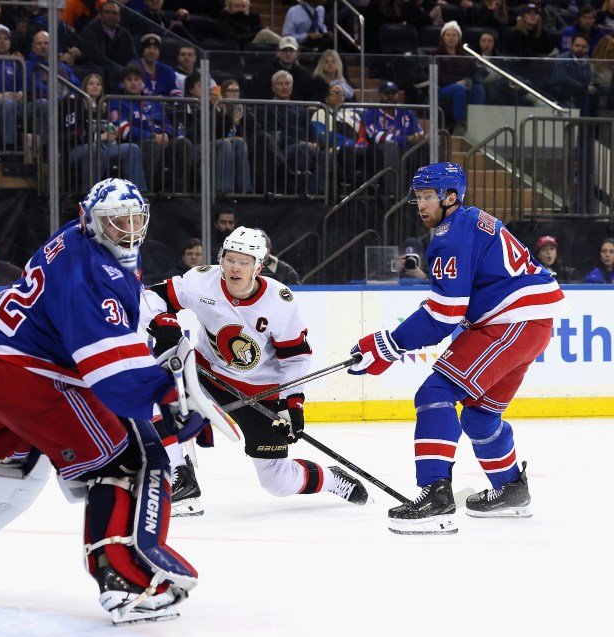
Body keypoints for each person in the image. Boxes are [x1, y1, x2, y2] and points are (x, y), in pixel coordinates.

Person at [0, 178, 217, 625]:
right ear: (91, 221)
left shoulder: (75, 239)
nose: (129, 232)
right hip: (27, 379)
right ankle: (127, 585)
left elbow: (96, 320)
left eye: (136, 221)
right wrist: (167, 399)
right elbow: (107, 369)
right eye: (117, 223)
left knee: (7, 469)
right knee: (127, 459)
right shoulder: (95, 273)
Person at [348, 162, 566, 534]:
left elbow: (445, 314)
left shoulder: (450, 234)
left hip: (512, 320)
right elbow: (454, 308)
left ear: (450, 197)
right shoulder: (466, 222)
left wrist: (389, 344)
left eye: (428, 197)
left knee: (435, 392)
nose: (421, 205)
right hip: (525, 321)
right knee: (479, 416)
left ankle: (435, 496)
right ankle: (511, 490)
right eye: (417, 197)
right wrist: (392, 345)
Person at [145, 226, 368, 516]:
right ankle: (181, 479)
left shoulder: (279, 301)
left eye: (244, 262)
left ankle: (331, 479)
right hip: (204, 371)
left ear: (258, 267)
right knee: (156, 391)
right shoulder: (202, 281)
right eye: (230, 259)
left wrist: (292, 404)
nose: (235, 267)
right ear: (221, 258)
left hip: (261, 393)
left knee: (276, 481)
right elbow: (149, 297)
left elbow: (296, 358)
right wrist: (163, 322)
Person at [110, 64, 195, 194]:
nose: (133, 83)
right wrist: (151, 136)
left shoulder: (152, 101)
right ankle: (145, 192)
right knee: (151, 145)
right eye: (129, 79)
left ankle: (178, 193)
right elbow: (123, 129)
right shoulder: (117, 101)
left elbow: (167, 123)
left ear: (143, 82)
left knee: (183, 144)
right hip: (137, 142)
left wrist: (167, 134)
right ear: (123, 83)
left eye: (136, 79)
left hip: (159, 138)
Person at [64, 72, 149, 192]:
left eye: (98, 84)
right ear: (85, 87)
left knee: (132, 148)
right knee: (94, 149)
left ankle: (137, 193)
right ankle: (91, 196)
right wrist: (101, 136)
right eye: (91, 84)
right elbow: (77, 134)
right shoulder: (77, 104)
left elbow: (109, 130)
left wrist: (114, 134)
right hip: (80, 148)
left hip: (104, 147)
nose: (95, 86)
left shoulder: (104, 106)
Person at [432, 21, 485, 136]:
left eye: (454, 35)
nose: (451, 38)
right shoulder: (436, 54)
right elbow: (437, 77)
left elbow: (470, 74)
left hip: (460, 86)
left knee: (478, 89)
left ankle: (477, 121)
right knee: (459, 88)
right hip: (441, 89)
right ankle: (459, 123)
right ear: (443, 37)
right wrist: (456, 82)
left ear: (459, 38)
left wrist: (469, 80)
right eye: (448, 35)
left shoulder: (464, 55)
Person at [551, 33, 599, 114]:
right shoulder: (562, 58)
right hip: (564, 99)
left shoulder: (587, 61)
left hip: (582, 101)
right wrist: (584, 87)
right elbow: (561, 77)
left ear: (587, 48)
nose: (580, 49)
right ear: (571, 46)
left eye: (583, 47)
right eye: (577, 45)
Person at [132, 33, 182, 98]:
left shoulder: (167, 71)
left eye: (155, 48)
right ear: (142, 50)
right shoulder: (132, 68)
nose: (152, 51)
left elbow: (177, 94)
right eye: (148, 47)